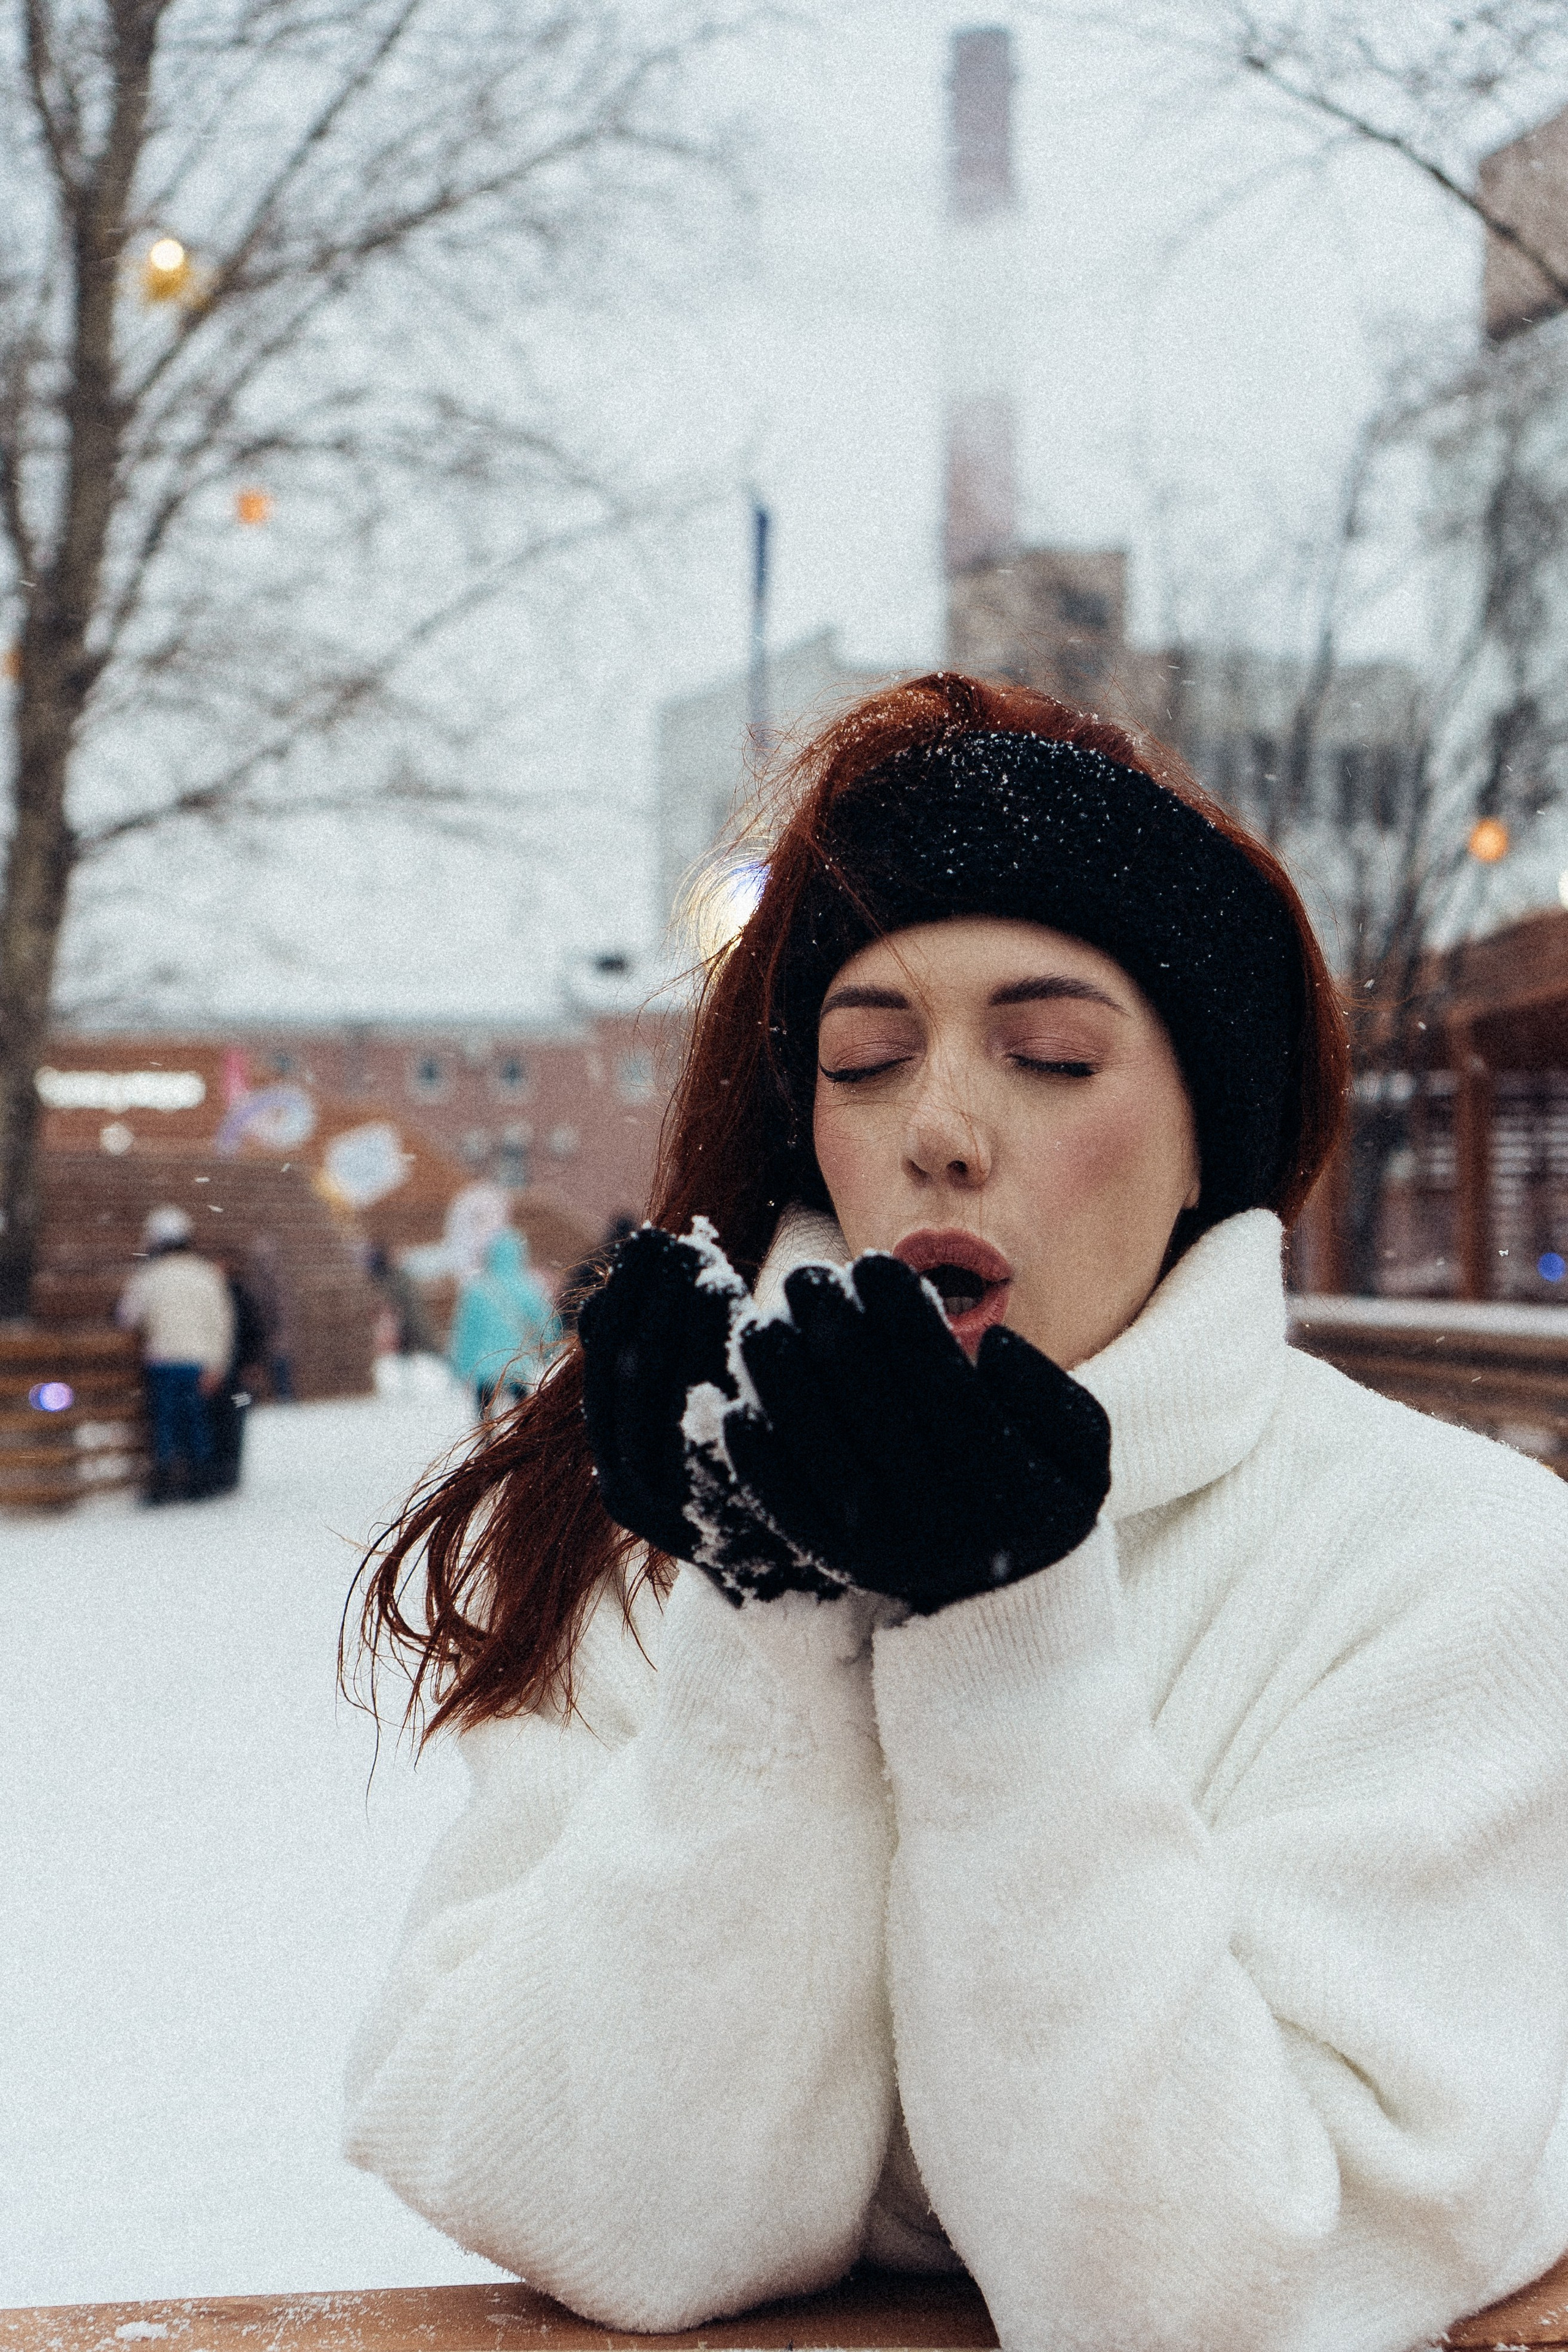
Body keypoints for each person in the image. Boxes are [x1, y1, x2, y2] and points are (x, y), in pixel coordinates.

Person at [342, 675, 1568, 2352]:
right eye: (867, 1060)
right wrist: (767, 1618)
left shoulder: (1462, 1566)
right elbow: (612, 2210)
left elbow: (1215, 2292)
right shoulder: (679, 1529)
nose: (939, 1135)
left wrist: (1012, 1646)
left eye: (1052, 1055)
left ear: (1206, 1122)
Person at [116, 1206, 235, 1504]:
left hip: (163, 1359)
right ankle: (199, 1477)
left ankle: (165, 1479)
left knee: (165, 1422)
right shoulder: (206, 1273)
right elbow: (221, 1322)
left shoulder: (150, 1276)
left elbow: (127, 1316)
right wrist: (217, 1365)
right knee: (196, 1420)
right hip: (198, 1360)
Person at [445, 1226, 559, 1417]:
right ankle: (523, 1444)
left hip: (485, 1367)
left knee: (486, 1418)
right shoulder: (528, 1286)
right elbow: (546, 1322)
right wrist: (548, 1349)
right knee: (524, 1418)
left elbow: (467, 1333)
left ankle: (488, 1443)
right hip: (517, 1365)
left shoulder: (477, 1290)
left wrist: (461, 1366)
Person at [205, 1253, 269, 1496]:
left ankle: (230, 1474)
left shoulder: (238, 1295)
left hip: (239, 1373)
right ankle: (220, 1473)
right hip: (221, 1371)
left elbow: (254, 1333)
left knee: (236, 1421)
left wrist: (252, 1366)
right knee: (220, 1421)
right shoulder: (215, 1295)